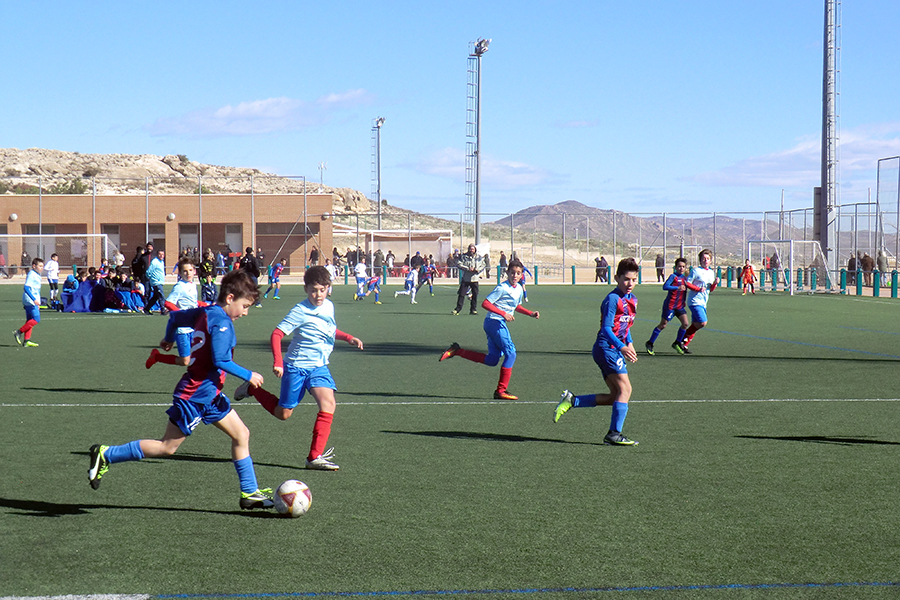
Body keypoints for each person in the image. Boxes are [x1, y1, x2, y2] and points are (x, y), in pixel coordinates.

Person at [87, 270, 273, 509]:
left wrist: (168, 339)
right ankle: (106, 454)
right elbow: (220, 360)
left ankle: (249, 492)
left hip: (210, 394)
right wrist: (249, 375)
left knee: (241, 434)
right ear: (230, 298)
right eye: (245, 306)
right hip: (195, 395)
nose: (245, 312)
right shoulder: (223, 323)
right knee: (167, 447)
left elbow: (174, 318)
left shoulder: (205, 311)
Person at [233, 266, 363, 471]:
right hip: (296, 367)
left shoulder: (329, 306)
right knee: (283, 413)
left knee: (328, 404)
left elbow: (328, 330)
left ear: (328, 288)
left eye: (322, 290)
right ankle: (251, 389)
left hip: (318, 367)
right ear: (306, 289)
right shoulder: (300, 311)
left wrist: (348, 337)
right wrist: (278, 362)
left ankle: (314, 457)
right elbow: (277, 334)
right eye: (313, 290)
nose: (318, 295)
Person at [553, 257, 639, 446]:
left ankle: (572, 401)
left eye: (634, 279)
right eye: (626, 279)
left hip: (613, 349)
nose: (630, 283)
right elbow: (606, 329)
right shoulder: (612, 299)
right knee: (626, 389)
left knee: (615, 395)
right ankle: (614, 434)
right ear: (616, 278)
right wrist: (622, 346)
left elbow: (624, 325)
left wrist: (630, 342)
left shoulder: (632, 299)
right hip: (606, 348)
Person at [439, 259, 540, 400]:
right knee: (511, 353)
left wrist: (530, 313)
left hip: (495, 323)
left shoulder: (518, 289)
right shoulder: (502, 287)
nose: (515, 275)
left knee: (492, 360)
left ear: (522, 275)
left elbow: (515, 306)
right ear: (507, 273)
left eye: (518, 273)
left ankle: (457, 351)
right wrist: (503, 314)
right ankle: (501, 391)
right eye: (512, 272)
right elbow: (486, 303)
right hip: (494, 322)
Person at [146, 257, 206, 369]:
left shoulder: (193, 285)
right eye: (185, 271)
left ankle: (197, 378)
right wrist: (182, 315)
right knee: (185, 361)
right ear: (180, 273)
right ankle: (157, 357)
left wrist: (205, 305)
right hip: (183, 329)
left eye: (190, 270)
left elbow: (192, 302)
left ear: (194, 271)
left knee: (199, 355)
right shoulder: (179, 286)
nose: (188, 273)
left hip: (193, 327)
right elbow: (168, 303)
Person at [644, 257, 701, 356]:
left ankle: (677, 343)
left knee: (685, 323)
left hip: (680, 306)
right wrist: (677, 287)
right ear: (675, 267)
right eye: (679, 266)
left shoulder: (685, 278)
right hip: (670, 306)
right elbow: (665, 286)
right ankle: (650, 343)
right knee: (663, 325)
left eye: (683, 267)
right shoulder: (673, 276)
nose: (681, 268)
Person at [673, 249, 719, 354]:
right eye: (703, 258)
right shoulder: (696, 271)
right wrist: (697, 289)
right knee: (702, 322)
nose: (705, 260)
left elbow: (710, 289)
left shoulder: (711, 273)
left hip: (703, 302)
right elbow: (687, 283)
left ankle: (682, 343)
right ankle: (680, 340)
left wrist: (715, 284)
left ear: (711, 261)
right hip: (694, 301)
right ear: (700, 260)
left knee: (696, 323)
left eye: (708, 259)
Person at [13, 257, 44, 348]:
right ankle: (18, 332)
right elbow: (26, 287)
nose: (41, 268)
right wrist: (34, 299)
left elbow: (36, 290)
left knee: (30, 320)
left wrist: (38, 301)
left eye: (42, 266)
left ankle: (26, 341)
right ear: (34, 266)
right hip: (30, 300)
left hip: (31, 300)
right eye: (40, 266)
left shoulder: (37, 275)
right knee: (36, 319)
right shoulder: (32, 274)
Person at [453, 244, 485, 315]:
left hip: (475, 279)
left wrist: (477, 270)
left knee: (475, 295)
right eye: (470, 249)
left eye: (473, 249)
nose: (471, 250)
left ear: (475, 250)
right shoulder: (464, 257)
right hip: (466, 279)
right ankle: (457, 309)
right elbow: (459, 264)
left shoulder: (478, 257)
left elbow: (483, 265)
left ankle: (473, 309)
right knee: (461, 294)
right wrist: (467, 269)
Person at [143, 248, 166, 314]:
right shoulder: (155, 262)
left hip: (160, 282)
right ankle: (163, 310)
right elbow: (149, 271)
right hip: (156, 282)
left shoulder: (161, 262)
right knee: (161, 296)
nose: (161, 256)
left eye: (162, 254)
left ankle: (146, 309)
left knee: (155, 297)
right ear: (157, 254)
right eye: (160, 254)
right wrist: (149, 278)